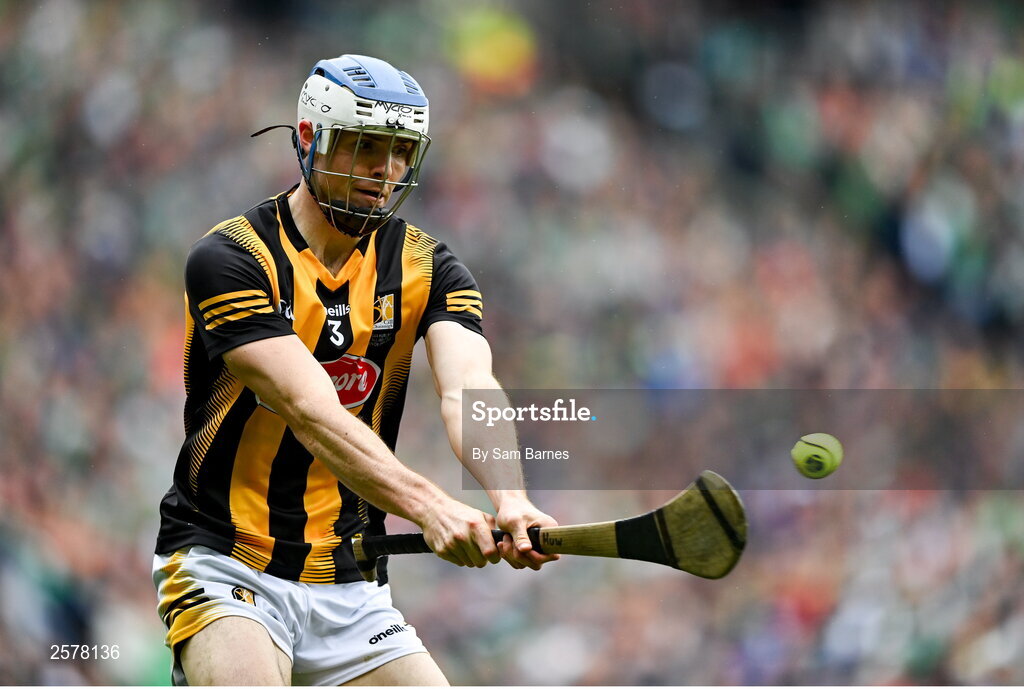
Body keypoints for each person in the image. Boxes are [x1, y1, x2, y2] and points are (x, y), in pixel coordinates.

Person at [153, 54, 558, 686]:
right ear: (311, 140)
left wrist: (511, 498)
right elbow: (312, 413)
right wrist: (430, 506)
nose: (384, 170)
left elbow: (469, 388)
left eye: (400, 152)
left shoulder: (430, 267)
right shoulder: (232, 259)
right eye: (365, 146)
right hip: (226, 561)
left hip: (351, 577)